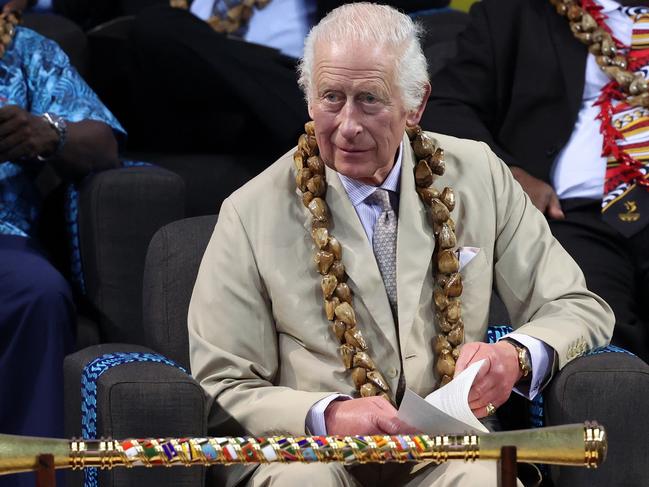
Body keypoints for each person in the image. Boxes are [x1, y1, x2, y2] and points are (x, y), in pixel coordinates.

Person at [188, 3, 613, 485]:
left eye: (369, 99)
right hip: (312, 455)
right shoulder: (249, 212)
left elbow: (580, 307)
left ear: (416, 105)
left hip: (450, 450)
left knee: (484, 480)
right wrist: (326, 416)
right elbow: (219, 387)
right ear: (309, 100)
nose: (347, 124)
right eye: (331, 97)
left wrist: (515, 356)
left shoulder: (480, 175)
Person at [421, 0, 649, 362]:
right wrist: (510, 173)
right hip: (571, 216)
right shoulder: (521, 12)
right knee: (600, 340)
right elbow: (444, 106)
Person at [0, 12, 123, 487]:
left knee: (38, 293)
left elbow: (103, 143)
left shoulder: (23, 49)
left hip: (4, 238)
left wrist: (47, 133)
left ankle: (29, 478)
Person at [128, 0, 450, 156]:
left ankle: (323, 117)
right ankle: (318, 123)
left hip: (298, 75)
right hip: (193, 94)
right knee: (155, 28)